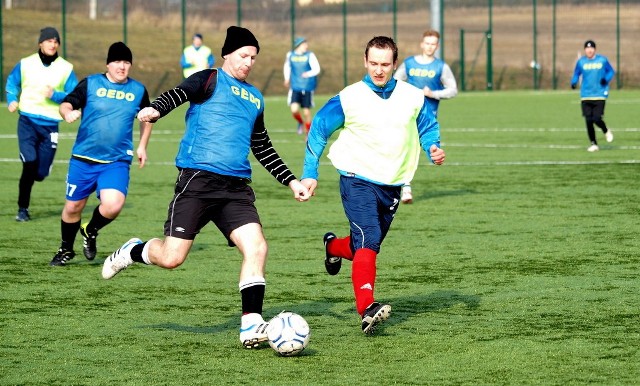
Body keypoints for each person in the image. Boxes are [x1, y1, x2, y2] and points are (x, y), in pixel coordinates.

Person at [101, 26, 310, 349]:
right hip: (198, 180)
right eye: (243, 55)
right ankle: (133, 250)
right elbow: (178, 93)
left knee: (257, 247)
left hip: (236, 188)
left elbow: (262, 146)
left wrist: (291, 180)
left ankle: (251, 325)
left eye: (253, 57)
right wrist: (156, 110)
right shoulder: (209, 78)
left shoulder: (255, 98)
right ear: (227, 54)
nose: (248, 62)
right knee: (172, 258)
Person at [300, 36, 445, 335]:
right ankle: (367, 306)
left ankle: (332, 246)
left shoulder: (412, 96)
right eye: (374, 64)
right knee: (369, 239)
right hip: (356, 178)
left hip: (391, 183)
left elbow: (427, 126)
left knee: (365, 244)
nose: (379, 70)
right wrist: (310, 173)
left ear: (395, 64)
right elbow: (318, 129)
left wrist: (433, 147)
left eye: (385, 64)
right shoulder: (348, 97)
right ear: (365, 62)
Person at [49, 42, 154, 267]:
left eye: (126, 62)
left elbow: (148, 118)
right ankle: (66, 249)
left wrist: (142, 146)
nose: (122, 66)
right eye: (117, 61)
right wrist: (67, 113)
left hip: (116, 160)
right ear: (108, 63)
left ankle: (90, 229)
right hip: (83, 159)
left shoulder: (138, 90)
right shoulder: (91, 83)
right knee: (73, 208)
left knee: (114, 204)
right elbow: (66, 103)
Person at [5, 26, 78, 222]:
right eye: (49, 41)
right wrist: (12, 98)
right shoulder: (26, 64)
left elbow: (74, 95)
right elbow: (12, 83)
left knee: (40, 173)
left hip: (50, 125)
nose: (53, 44)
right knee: (29, 164)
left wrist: (56, 95)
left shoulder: (66, 68)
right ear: (40, 43)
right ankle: (22, 209)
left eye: (55, 41)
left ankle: (43, 169)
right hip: (27, 121)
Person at [394, 29, 457, 204]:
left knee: (427, 150)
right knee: (406, 148)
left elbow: (453, 89)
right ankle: (405, 187)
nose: (430, 47)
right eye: (427, 43)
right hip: (408, 114)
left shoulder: (441, 67)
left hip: (429, 117)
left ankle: (404, 182)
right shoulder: (409, 64)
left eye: (433, 44)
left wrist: (434, 93)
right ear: (422, 44)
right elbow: (395, 83)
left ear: (437, 46)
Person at [570, 40, 615, 152]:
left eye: (591, 48)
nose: (589, 50)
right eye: (587, 48)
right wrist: (574, 82)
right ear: (584, 50)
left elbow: (611, 71)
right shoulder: (581, 62)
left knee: (596, 118)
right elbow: (576, 73)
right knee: (588, 120)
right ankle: (593, 143)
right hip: (586, 95)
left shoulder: (602, 60)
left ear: (595, 49)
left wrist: (606, 79)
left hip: (599, 94)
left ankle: (605, 130)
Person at [283, 37, 320, 136]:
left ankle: (309, 134)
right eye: (304, 44)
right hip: (295, 87)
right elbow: (287, 67)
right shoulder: (290, 55)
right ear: (298, 45)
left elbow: (317, 69)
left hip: (307, 87)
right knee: (294, 110)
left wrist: (308, 73)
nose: (306, 46)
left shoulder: (310, 55)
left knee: (306, 112)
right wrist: (287, 78)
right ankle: (300, 122)